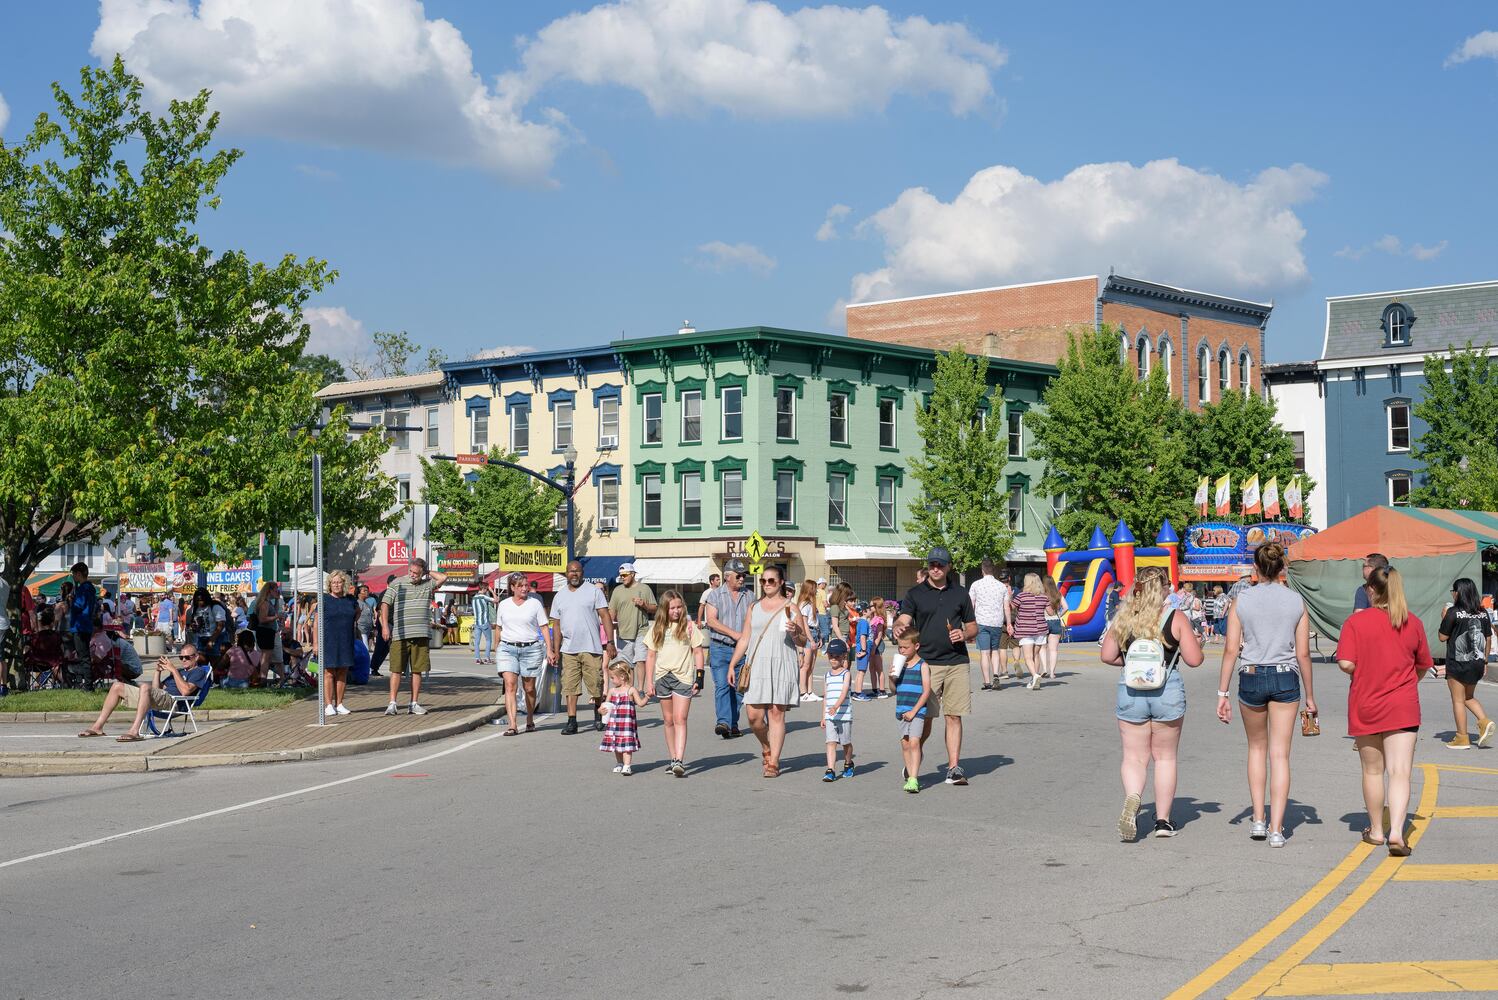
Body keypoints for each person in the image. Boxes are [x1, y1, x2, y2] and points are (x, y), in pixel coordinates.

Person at [1215, 542, 1317, 848]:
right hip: (1286, 676)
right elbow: (1303, 654)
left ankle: (1258, 819)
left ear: (1255, 569)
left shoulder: (1241, 600)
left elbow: (1231, 649)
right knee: (1280, 755)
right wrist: (1310, 696)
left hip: (1251, 675)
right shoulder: (1296, 601)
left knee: (1256, 749)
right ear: (1282, 569)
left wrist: (1222, 692)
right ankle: (1276, 829)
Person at [1100, 566, 1204, 841]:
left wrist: (1132, 663)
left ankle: (1134, 798)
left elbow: (1107, 655)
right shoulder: (1175, 617)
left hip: (1131, 691)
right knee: (1165, 758)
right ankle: (1162, 821)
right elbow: (1194, 660)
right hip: (1166, 691)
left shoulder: (1124, 616)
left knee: (1134, 757)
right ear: (1163, 588)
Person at [1337, 566, 1431, 856]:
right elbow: (1424, 664)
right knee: (1401, 772)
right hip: (1403, 705)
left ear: (1371, 590)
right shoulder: (1412, 623)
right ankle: (1397, 833)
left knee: (1373, 771)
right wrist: (1407, 682)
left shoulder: (1356, 623)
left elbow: (1345, 663)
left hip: (1366, 703)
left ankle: (1376, 829)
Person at [894, 547, 977, 786]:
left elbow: (973, 626)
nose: (935, 568)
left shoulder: (960, 594)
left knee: (954, 716)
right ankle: (913, 759)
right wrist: (899, 626)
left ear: (949, 566)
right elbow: (904, 619)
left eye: (940, 565)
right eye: (932, 564)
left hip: (957, 662)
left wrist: (964, 633)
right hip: (926, 664)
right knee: (925, 718)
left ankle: (953, 768)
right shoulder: (915, 593)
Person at [728, 564, 806, 777]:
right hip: (757, 664)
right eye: (763, 581)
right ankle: (766, 745)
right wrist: (733, 664)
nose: (766, 584)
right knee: (753, 717)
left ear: (781, 582)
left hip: (782, 663)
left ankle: (774, 762)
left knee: (776, 713)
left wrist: (796, 631)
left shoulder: (791, 608)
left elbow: (803, 641)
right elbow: (745, 638)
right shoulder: (754, 607)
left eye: (771, 580)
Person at [78, 643, 209, 741]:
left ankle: (134, 731)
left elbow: (186, 691)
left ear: (196, 657)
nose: (184, 660)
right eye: (181, 657)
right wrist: (158, 671)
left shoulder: (198, 672)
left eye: (187, 657)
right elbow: (157, 689)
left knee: (145, 687)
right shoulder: (180, 672)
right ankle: (98, 727)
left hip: (175, 702)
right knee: (117, 686)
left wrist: (173, 670)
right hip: (160, 699)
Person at [549, 559, 616, 735]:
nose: (574, 574)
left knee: (595, 684)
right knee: (570, 687)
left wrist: (610, 642)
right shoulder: (559, 596)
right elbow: (556, 625)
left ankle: (598, 715)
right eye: (571, 571)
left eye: (577, 571)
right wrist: (556, 650)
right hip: (568, 649)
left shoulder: (593, 592)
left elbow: (605, 616)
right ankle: (572, 721)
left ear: (582, 573)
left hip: (591, 647)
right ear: (566, 573)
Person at [643, 589, 705, 776]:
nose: (676, 611)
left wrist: (699, 678)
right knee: (668, 720)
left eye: (679, 607)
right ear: (664, 609)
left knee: (680, 719)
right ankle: (672, 759)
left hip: (683, 677)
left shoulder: (689, 626)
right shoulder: (657, 627)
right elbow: (651, 655)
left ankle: (679, 759)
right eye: (672, 608)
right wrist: (649, 682)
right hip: (663, 676)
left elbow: (698, 652)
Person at [380, 557, 447, 716]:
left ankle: (414, 703)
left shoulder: (427, 584)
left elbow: (443, 577)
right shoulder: (397, 583)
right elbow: (385, 604)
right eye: (410, 571)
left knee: (418, 670)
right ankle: (392, 703)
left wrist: (427, 572)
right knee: (396, 669)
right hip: (400, 634)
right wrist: (384, 626)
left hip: (421, 633)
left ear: (422, 573)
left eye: (416, 573)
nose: (412, 575)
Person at [1437, 578, 1495, 750]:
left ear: (1458, 592)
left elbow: (1442, 637)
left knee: (1458, 700)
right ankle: (1485, 722)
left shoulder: (1453, 612)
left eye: (1453, 591)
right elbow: (1488, 638)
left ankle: (1462, 737)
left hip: (1458, 663)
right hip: (1477, 662)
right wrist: (1484, 660)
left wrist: (1444, 617)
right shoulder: (1482, 613)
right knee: (1468, 697)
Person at [495, 573, 552, 735]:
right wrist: (496, 648)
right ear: (512, 588)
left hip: (531, 648)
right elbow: (498, 628)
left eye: (526, 585)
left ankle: (529, 718)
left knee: (529, 688)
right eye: (520, 586)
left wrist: (549, 648)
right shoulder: (504, 604)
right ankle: (512, 724)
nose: (525, 588)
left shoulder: (535, 604)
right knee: (510, 685)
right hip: (507, 648)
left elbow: (543, 627)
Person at [703, 561, 752, 739]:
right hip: (720, 647)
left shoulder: (749, 595)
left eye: (743, 575)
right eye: (738, 575)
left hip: (742, 650)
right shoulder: (715, 595)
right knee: (723, 686)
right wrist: (734, 634)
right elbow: (711, 620)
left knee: (739, 689)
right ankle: (723, 721)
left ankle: (732, 723)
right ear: (727, 576)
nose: (742, 578)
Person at [893, 626, 931, 793]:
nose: (902, 650)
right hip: (901, 709)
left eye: (905, 647)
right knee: (905, 744)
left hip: (917, 711)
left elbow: (926, 691)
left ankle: (914, 779)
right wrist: (891, 678)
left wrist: (914, 711)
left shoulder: (922, 665)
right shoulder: (899, 665)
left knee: (915, 742)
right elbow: (893, 689)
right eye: (899, 647)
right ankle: (909, 775)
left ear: (916, 646)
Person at [608, 563, 657, 691]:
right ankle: (630, 690)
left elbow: (655, 608)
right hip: (623, 633)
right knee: (627, 665)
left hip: (642, 630)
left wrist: (644, 604)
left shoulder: (645, 589)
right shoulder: (617, 591)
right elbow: (611, 613)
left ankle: (640, 690)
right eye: (621, 575)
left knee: (640, 660)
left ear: (633, 574)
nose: (622, 577)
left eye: (625, 575)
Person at [318, 570, 360, 717]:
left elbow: (357, 613)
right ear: (330, 584)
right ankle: (328, 705)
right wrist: (316, 644)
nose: (336, 585)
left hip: (345, 639)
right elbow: (317, 622)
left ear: (344, 583)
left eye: (339, 582)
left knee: (343, 671)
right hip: (329, 639)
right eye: (333, 582)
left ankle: (340, 703)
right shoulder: (324, 599)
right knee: (329, 672)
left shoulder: (350, 600)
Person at [598, 659, 647, 775]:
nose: (611, 680)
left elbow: (640, 703)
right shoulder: (612, 691)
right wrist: (601, 710)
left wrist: (648, 697)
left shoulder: (631, 690)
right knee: (616, 745)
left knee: (626, 746)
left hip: (626, 724)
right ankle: (619, 763)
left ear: (622, 677)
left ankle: (627, 765)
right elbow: (605, 705)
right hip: (614, 723)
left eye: (612, 677)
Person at [969, 558, 1008, 691]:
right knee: (995, 651)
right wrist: (1008, 623)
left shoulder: (976, 585)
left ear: (982, 570)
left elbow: (971, 605)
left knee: (985, 653)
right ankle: (996, 675)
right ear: (993, 569)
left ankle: (987, 681)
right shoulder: (1002, 586)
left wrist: (968, 623)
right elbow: (1006, 607)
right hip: (997, 622)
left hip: (981, 622)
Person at [821, 638, 855, 781]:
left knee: (845, 742)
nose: (834, 659)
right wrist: (823, 715)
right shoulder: (827, 675)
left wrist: (836, 706)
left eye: (837, 656)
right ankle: (831, 770)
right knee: (831, 742)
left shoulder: (846, 674)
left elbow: (844, 691)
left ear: (843, 657)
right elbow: (826, 697)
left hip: (844, 715)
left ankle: (848, 762)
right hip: (830, 716)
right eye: (831, 656)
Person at [1010, 573, 1051, 690]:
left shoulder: (1021, 596)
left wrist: (1008, 597)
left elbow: (1010, 607)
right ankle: (1034, 680)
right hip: (1040, 629)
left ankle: (1035, 675)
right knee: (1035, 655)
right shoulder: (1044, 597)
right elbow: (1051, 612)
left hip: (1025, 629)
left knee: (1028, 657)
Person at [66, 562, 98, 666]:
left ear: (79, 574)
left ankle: (87, 681)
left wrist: (71, 602)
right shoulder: (90, 589)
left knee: (83, 656)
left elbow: (78, 606)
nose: (73, 577)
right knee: (84, 655)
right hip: (86, 625)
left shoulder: (83, 589)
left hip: (80, 626)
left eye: (74, 574)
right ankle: (84, 680)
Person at [794, 580, 821, 702]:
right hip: (808, 634)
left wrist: (818, 637)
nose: (816, 590)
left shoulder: (811, 604)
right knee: (805, 665)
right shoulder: (804, 604)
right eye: (814, 588)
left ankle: (810, 691)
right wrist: (811, 639)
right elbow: (804, 624)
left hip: (815, 632)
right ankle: (802, 692)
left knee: (811, 665)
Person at [1042, 574, 1065, 680]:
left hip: (1043, 621)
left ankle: (1044, 669)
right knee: (1053, 650)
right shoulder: (1058, 594)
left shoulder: (1042, 595)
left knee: (1042, 647)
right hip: (1055, 621)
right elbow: (1066, 607)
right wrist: (1059, 615)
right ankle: (1052, 673)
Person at [850, 602, 873, 701]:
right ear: (864, 612)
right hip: (863, 648)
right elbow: (863, 637)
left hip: (860, 647)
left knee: (860, 671)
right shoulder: (864, 622)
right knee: (862, 672)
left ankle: (857, 692)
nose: (870, 611)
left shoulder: (860, 622)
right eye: (868, 609)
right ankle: (858, 693)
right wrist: (864, 650)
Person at [470, 584, 496, 665]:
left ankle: (477, 658)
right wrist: (492, 591)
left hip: (477, 623)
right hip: (484, 622)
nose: (487, 591)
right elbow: (496, 600)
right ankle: (487, 658)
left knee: (477, 642)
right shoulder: (484, 597)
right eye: (486, 589)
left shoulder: (474, 598)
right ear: (484, 589)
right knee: (488, 640)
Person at [814, 577, 831, 647]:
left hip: (815, 613)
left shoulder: (815, 592)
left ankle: (821, 646)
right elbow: (825, 604)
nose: (825, 586)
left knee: (819, 630)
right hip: (822, 613)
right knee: (826, 631)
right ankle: (819, 640)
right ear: (822, 584)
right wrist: (831, 604)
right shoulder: (822, 592)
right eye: (825, 584)